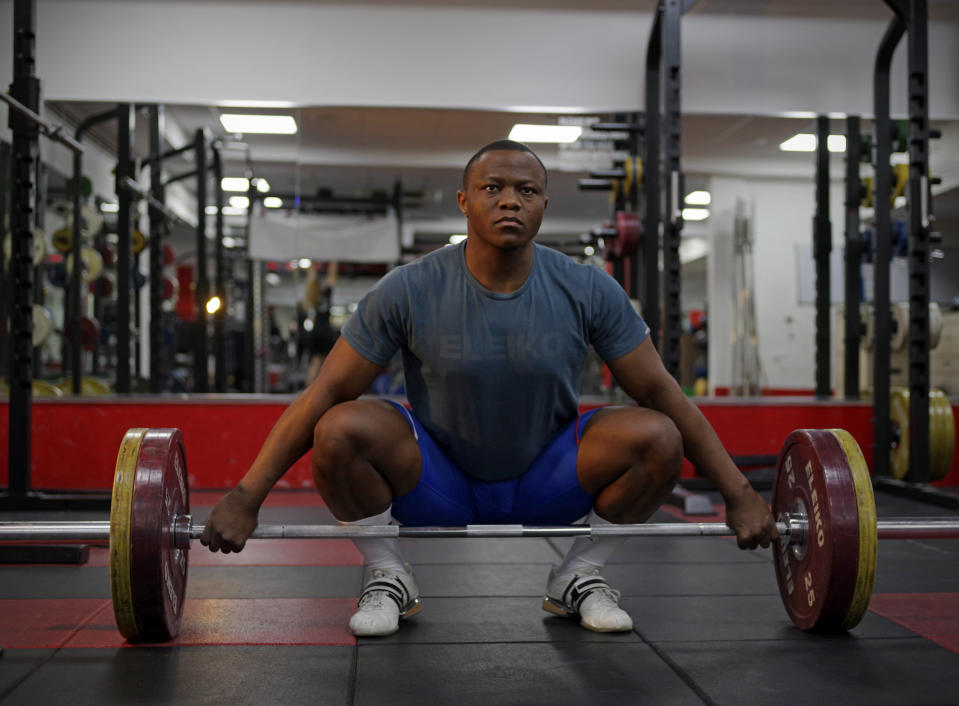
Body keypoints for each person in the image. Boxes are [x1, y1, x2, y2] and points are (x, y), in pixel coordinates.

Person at [200, 139, 778, 637]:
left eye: (526, 191)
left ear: (544, 206)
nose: (509, 200)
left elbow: (665, 394)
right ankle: (387, 574)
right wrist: (248, 495)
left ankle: (579, 573)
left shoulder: (588, 289)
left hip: (547, 478)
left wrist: (739, 492)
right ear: (464, 201)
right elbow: (321, 394)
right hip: (437, 479)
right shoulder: (408, 289)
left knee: (658, 434)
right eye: (492, 188)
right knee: (339, 427)